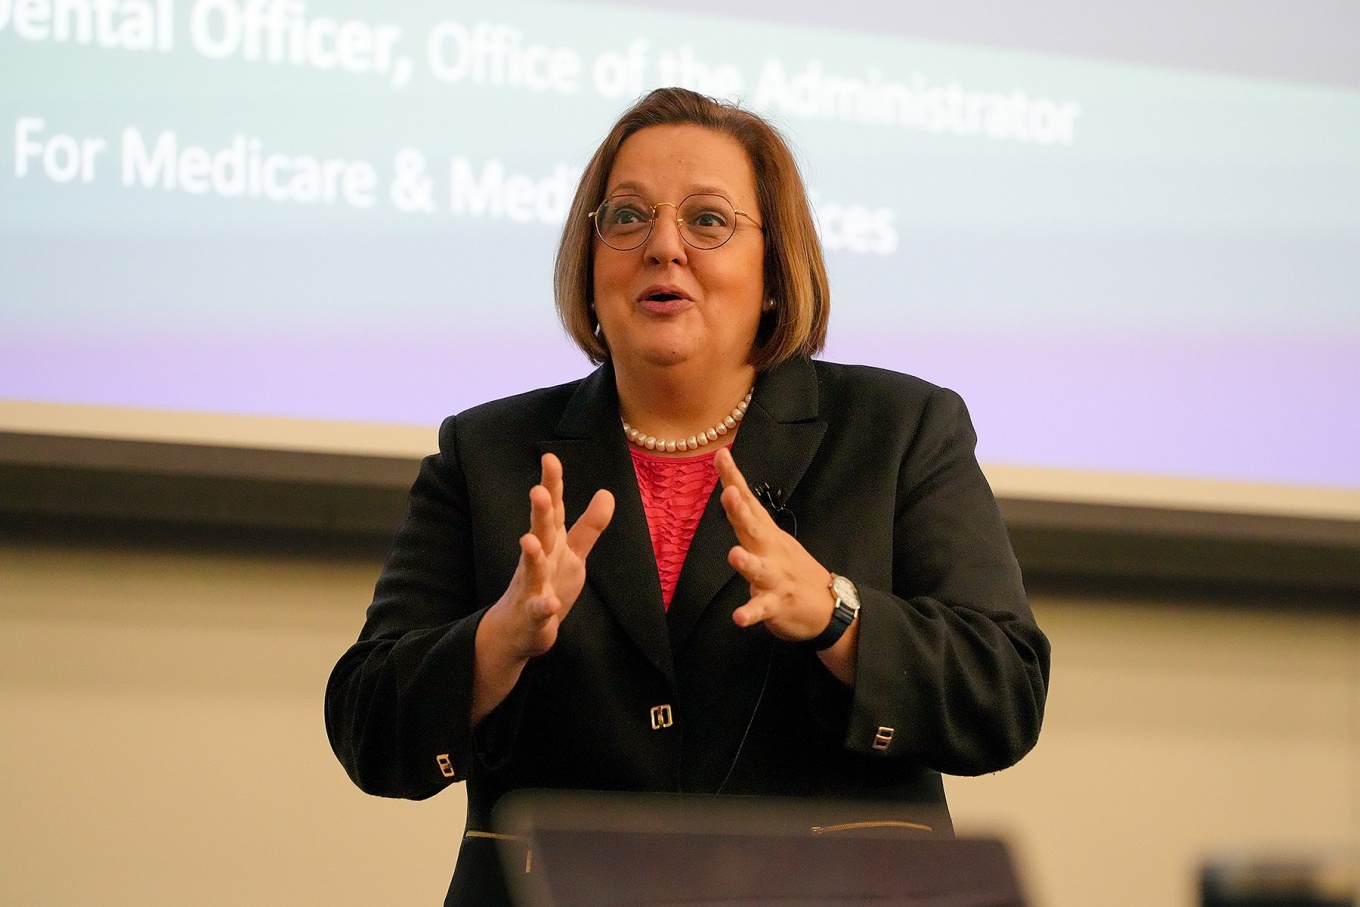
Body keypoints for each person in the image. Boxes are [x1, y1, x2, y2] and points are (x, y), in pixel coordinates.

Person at [325, 87, 1050, 906]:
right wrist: (499, 640)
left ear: (775, 274)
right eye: (627, 218)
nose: (662, 246)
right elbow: (367, 726)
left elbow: (1005, 694)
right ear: (591, 264)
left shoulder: (898, 429)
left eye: (708, 220)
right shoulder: (489, 453)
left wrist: (838, 614)